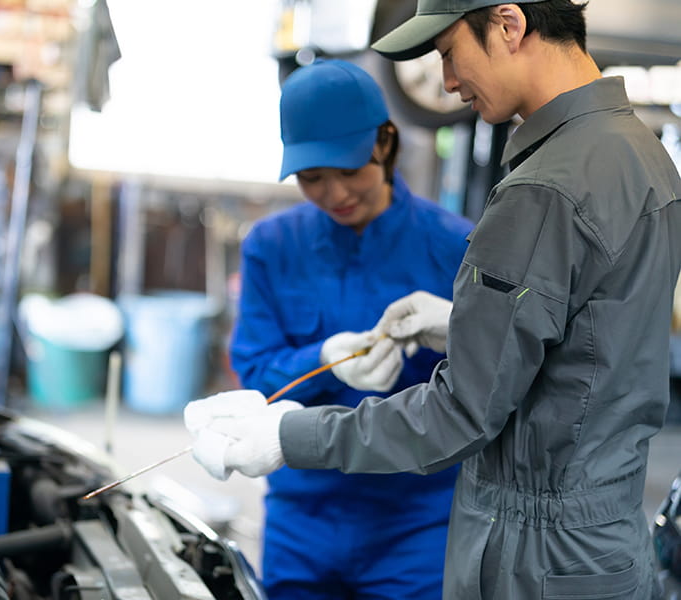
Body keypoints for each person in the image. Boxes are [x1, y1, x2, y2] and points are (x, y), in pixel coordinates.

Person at [184, 2, 681, 599]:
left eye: (448, 53)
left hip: (520, 547)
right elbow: (588, 341)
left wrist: (287, 436)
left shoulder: (539, 190)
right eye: (312, 177)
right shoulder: (640, 154)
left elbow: (462, 412)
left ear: (508, 23)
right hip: (594, 539)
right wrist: (460, 326)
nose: (445, 81)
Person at [189, 58, 474, 599]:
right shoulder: (272, 247)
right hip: (303, 517)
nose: (336, 194)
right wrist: (321, 356)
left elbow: (483, 388)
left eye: (349, 170)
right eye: (312, 178)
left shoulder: (455, 247)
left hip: (417, 520)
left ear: (385, 145)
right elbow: (255, 375)